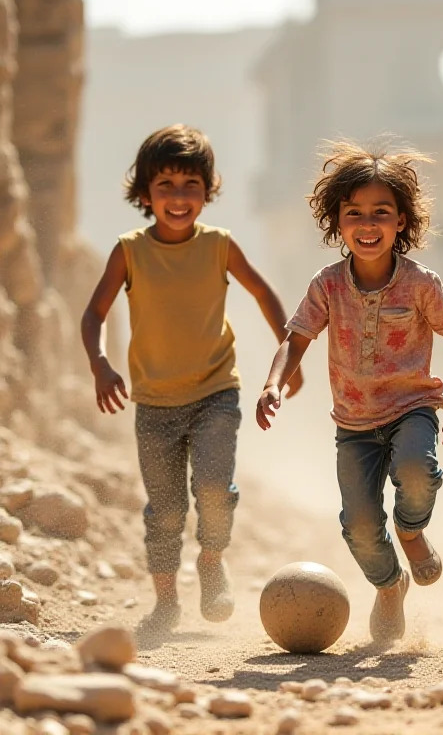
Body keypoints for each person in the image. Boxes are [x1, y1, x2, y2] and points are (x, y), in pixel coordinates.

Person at [81, 124, 302, 633]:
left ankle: (211, 560)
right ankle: (164, 604)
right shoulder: (129, 251)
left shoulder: (220, 246)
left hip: (215, 392)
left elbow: (267, 296)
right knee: (164, 510)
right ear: (144, 193)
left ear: (208, 191)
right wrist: (99, 362)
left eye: (190, 187)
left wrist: (288, 361)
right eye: (166, 186)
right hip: (153, 403)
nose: (179, 198)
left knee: (214, 489)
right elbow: (94, 313)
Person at [256, 141, 443, 644]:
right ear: (337, 222)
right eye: (354, 213)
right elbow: (297, 338)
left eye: (381, 213)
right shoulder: (327, 285)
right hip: (353, 424)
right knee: (357, 524)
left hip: (412, 408)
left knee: (418, 471)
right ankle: (390, 585)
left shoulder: (421, 284)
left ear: (401, 222)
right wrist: (273, 383)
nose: (368, 224)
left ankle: (412, 533)